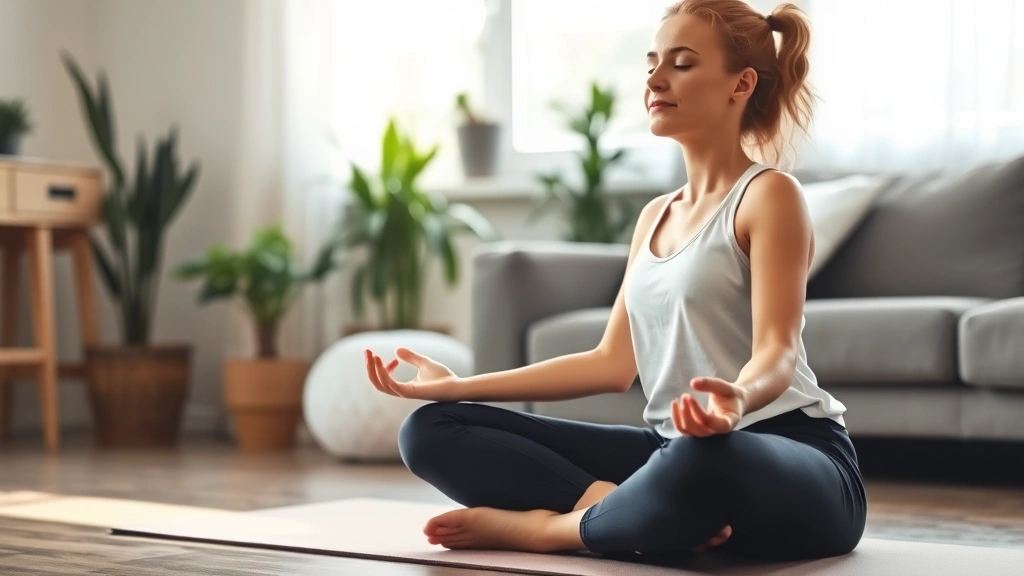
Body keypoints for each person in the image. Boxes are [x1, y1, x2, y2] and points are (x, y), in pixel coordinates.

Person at [363, 0, 866, 563]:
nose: (655, 78)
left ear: (740, 83)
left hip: (784, 449)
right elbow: (610, 362)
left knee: (704, 460)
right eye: (653, 62)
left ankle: (548, 531)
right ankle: (623, 511)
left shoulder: (769, 195)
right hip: (673, 454)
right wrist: (456, 387)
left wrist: (737, 398)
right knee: (430, 430)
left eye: (682, 63)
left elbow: (776, 348)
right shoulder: (655, 215)